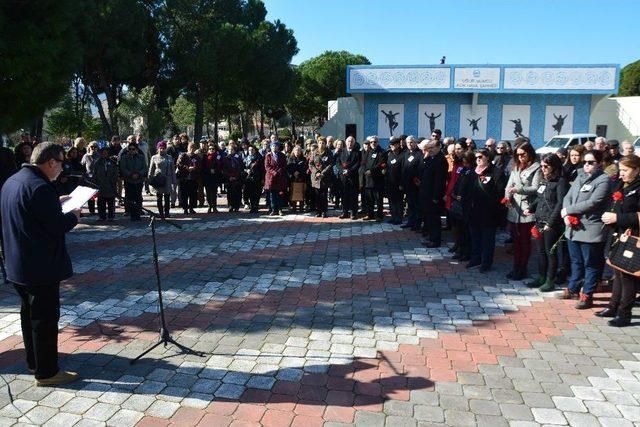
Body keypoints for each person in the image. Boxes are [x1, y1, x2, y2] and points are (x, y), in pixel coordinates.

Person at [0, 142, 81, 386]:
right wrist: (74, 216)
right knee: (45, 319)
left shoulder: (14, 181)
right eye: (61, 162)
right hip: (39, 266)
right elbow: (56, 226)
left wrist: (56, 201)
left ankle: (34, 360)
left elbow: (31, 212)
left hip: (17, 264)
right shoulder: (39, 187)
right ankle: (47, 372)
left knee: (29, 315)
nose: (62, 168)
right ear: (51, 162)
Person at [558, 150, 610, 309]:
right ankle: (573, 288)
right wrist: (566, 214)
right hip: (573, 228)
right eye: (585, 162)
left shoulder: (603, 180)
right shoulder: (580, 176)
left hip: (591, 229)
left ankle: (587, 294)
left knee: (591, 264)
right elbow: (567, 196)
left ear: (599, 163)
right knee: (576, 261)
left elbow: (594, 202)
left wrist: (569, 210)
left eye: (591, 162)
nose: (586, 165)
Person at [598, 154, 640, 326]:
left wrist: (617, 218)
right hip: (618, 234)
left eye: (625, 170)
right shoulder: (622, 184)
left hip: (633, 235)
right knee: (617, 271)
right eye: (620, 170)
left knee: (628, 276)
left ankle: (624, 314)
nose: (621, 173)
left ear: (637, 170)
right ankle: (613, 306)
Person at [525, 154, 568, 292]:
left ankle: (550, 280)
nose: (543, 169)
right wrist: (531, 208)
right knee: (541, 252)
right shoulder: (544, 181)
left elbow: (560, 203)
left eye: (546, 166)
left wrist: (551, 222)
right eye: (542, 166)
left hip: (552, 223)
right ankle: (541, 277)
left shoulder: (560, 181)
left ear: (554, 166)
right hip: (539, 220)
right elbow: (539, 198)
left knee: (551, 252)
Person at [463, 148, 506, 272]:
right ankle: (476, 258)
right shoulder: (472, 172)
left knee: (487, 239)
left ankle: (486, 263)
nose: (478, 159)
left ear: (488, 157)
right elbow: (466, 190)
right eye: (476, 157)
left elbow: (500, 192)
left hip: (488, 213)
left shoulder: (496, 172)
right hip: (473, 212)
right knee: (475, 237)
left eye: (480, 157)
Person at [505, 142, 541, 280]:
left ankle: (522, 268)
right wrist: (507, 196)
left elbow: (536, 188)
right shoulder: (516, 167)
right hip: (514, 209)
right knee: (516, 240)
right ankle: (516, 267)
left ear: (529, 153)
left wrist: (518, 189)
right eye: (518, 155)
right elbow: (508, 185)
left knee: (524, 240)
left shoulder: (536, 168)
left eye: (523, 154)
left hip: (527, 208)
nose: (520, 157)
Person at [419, 140, 448, 247]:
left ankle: (435, 241)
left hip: (433, 196)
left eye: (432, 148)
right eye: (428, 148)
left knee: (434, 219)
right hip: (426, 194)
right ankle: (431, 238)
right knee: (429, 219)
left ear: (438, 147)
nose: (429, 150)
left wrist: (436, 196)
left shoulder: (441, 160)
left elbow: (439, 181)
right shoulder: (431, 158)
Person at [450, 151, 476, 262]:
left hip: (467, 206)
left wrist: (464, 198)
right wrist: (454, 195)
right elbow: (456, 184)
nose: (465, 164)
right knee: (459, 229)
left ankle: (467, 252)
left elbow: (472, 190)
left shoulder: (474, 173)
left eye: (467, 162)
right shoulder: (463, 171)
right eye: (464, 162)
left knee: (466, 231)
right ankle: (460, 249)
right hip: (458, 203)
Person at [445, 141, 467, 251]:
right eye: (456, 149)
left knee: (461, 224)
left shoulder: (467, 163)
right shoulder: (456, 162)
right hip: (451, 195)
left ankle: (462, 246)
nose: (456, 151)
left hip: (460, 197)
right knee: (454, 223)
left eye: (459, 149)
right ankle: (456, 244)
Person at [119, 142, 148, 221]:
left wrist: (139, 174)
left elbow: (144, 168)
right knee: (130, 198)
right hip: (129, 180)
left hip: (139, 180)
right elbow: (123, 168)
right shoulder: (125, 157)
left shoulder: (141, 157)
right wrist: (130, 174)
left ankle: (138, 214)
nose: (131, 151)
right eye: (130, 149)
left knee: (138, 197)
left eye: (133, 149)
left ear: (137, 149)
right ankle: (132, 214)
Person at [148, 141, 176, 218]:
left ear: (166, 149)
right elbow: (151, 169)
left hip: (167, 179)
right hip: (158, 179)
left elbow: (173, 170)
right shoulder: (154, 157)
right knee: (159, 197)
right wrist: (149, 179)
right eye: (160, 148)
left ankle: (167, 212)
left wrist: (174, 181)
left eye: (163, 148)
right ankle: (161, 213)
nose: (162, 150)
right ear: (158, 148)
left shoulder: (169, 157)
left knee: (167, 197)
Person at [400, 136, 423, 229]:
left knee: (416, 205)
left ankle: (417, 224)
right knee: (410, 204)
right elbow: (403, 168)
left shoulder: (419, 153)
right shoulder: (406, 153)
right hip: (407, 184)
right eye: (408, 142)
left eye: (411, 142)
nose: (409, 144)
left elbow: (420, 168)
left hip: (415, 184)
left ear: (415, 143)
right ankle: (410, 221)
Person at [362, 136, 387, 221]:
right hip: (368, 179)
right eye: (371, 142)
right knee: (369, 199)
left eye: (375, 142)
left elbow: (381, 164)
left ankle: (379, 216)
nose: (373, 143)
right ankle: (370, 214)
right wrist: (365, 170)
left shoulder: (382, 152)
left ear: (378, 142)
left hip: (377, 179)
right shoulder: (368, 151)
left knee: (379, 199)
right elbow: (364, 162)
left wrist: (371, 171)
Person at [309, 137, 334, 218]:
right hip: (316, 177)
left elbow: (330, 164)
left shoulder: (329, 152)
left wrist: (322, 173)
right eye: (319, 143)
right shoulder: (314, 152)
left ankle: (324, 211)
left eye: (323, 143)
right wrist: (316, 172)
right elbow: (311, 164)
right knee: (317, 195)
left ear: (325, 143)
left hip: (325, 177)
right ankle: (318, 211)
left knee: (323, 195)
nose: (321, 144)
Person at [93, 146, 119, 221]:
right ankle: (102, 216)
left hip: (110, 185)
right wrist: (96, 183)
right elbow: (95, 174)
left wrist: (112, 181)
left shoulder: (112, 162)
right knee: (101, 202)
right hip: (101, 185)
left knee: (111, 202)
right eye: (102, 153)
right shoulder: (97, 162)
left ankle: (111, 216)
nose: (104, 154)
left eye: (105, 153)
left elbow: (115, 173)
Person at [338, 136, 362, 219]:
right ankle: (344, 212)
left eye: (352, 141)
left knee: (353, 196)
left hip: (353, 177)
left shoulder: (358, 153)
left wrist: (349, 171)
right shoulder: (341, 151)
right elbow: (338, 163)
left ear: (354, 143)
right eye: (348, 141)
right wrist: (342, 170)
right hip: (343, 177)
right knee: (344, 195)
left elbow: (358, 164)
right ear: (346, 142)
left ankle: (353, 213)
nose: (350, 143)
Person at [176, 142, 201, 214]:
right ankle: (185, 208)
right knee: (184, 194)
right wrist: (187, 168)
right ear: (188, 148)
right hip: (184, 178)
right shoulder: (183, 155)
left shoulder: (197, 157)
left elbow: (200, 166)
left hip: (193, 178)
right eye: (190, 147)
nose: (192, 149)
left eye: (193, 148)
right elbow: (179, 164)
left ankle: (191, 208)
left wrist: (194, 168)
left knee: (193, 194)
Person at [201, 142, 224, 213]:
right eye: (210, 149)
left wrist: (215, 170)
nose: (211, 150)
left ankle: (214, 206)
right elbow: (203, 167)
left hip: (215, 177)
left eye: (213, 149)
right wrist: (209, 170)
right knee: (208, 193)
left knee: (214, 192)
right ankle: (209, 206)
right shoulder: (205, 156)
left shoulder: (218, 156)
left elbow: (220, 166)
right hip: (207, 177)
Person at [386, 137, 404, 224]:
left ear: (398, 144)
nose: (392, 146)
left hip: (398, 183)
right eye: (391, 144)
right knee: (391, 201)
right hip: (390, 182)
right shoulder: (390, 154)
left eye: (394, 144)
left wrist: (401, 183)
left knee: (398, 201)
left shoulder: (402, 154)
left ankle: (399, 218)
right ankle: (393, 216)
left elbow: (404, 170)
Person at [287, 145, 308, 213]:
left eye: (299, 150)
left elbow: (305, 167)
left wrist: (299, 172)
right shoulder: (290, 158)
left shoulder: (304, 159)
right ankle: (294, 208)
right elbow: (288, 167)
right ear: (293, 151)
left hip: (301, 178)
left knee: (301, 193)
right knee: (293, 193)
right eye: (296, 150)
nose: (297, 151)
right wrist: (293, 172)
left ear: (301, 151)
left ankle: (301, 208)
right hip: (293, 178)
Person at [224, 143, 245, 212]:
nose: (230, 151)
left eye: (232, 150)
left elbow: (241, 168)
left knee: (237, 192)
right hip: (229, 178)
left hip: (237, 178)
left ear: (234, 150)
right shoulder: (226, 158)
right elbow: (224, 169)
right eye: (229, 150)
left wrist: (236, 177)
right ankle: (231, 205)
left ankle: (237, 206)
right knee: (230, 193)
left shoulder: (238, 158)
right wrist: (229, 176)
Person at [244, 146, 264, 213]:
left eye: (252, 150)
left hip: (257, 178)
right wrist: (246, 170)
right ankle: (252, 206)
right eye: (249, 150)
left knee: (257, 193)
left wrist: (262, 178)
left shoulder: (259, 158)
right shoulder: (246, 158)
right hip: (249, 178)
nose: (251, 151)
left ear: (255, 150)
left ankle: (256, 206)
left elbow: (262, 169)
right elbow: (242, 167)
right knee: (250, 193)